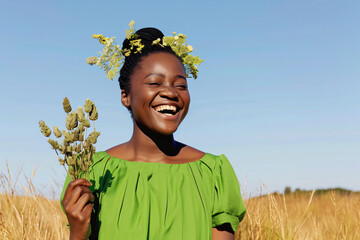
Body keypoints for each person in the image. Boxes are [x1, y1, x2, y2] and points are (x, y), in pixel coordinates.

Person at [60, 24, 246, 240]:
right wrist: (78, 232)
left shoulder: (213, 174)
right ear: (125, 96)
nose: (170, 92)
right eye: (155, 82)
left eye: (181, 85)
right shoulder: (92, 172)